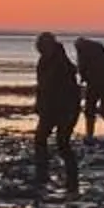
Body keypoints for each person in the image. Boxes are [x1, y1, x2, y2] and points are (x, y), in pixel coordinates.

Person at [33, 32, 81, 195]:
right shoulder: (44, 62)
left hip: (65, 110)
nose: (40, 49)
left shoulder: (62, 64)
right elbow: (41, 87)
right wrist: (39, 105)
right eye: (39, 46)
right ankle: (42, 175)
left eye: (42, 45)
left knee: (62, 144)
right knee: (40, 140)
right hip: (49, 109)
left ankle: (72, 180)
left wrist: (70, 112)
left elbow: (72, 91)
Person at [74, 36, 104, 142]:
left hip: (95, 84)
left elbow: (82, 67)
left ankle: (90, 134)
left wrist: (83, 77)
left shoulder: (83, 51)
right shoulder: (98, 49)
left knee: (90, 109)